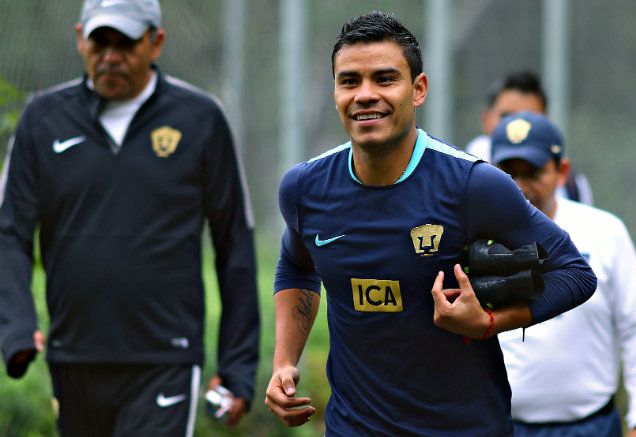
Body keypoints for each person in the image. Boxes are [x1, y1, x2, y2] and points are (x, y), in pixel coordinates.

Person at [264, 11, 596, 436]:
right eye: (350, 81)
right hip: (354, 426)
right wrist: (284, 362)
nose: (365, 94)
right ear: (335, 91)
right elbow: (296, 265)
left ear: (418, 90)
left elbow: (575, 274)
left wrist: (490, 322)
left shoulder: (474, 185)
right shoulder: (303, 188)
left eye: (385, 79)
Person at [0, 0, 260, 435]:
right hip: (74, 357)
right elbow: (9, 232)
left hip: (165, 359)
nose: (110, 56)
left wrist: (238, 367)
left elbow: (233, 241)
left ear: (155, 42)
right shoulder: (42, 120)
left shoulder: (200, 119)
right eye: (100, 42)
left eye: (126, 43)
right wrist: (16, 326)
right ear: (80, 39)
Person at [490, 112, 636, 437]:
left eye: (533, 172)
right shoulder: (477, 237)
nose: (520, 185)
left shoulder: (604, 231)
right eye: (508, 171)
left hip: (592, 427)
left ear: (561, 171)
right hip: (506, 426)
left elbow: (635, 330)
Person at [466, 70, 594, 205]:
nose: (518, 125)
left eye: (534, 174)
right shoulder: (461, 176)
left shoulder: (572, 186)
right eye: (507, 116)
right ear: (486, 119)